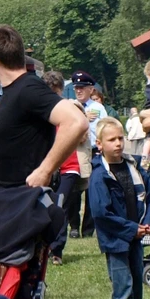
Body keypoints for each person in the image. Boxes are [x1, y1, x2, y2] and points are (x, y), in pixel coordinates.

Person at [0, 24, 88, 299]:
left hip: (25, 210)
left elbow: (76, 121)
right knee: (19, 295)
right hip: (10, 209)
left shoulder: (28, 89)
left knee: (25, 295)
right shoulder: (13, 93)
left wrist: (45, 170)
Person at [88, 117, 150, 299]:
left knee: (137, 285)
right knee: (123, 286)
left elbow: (149, 195)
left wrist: (146, 222)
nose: (117, 143)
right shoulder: (99, 176)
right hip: (116, 240)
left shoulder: (133, 168)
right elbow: (101, 214)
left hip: (136, 237)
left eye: (120, 138)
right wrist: (131, 229)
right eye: (111, 139)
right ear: (99, 143)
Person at [43, 71, 91, 265]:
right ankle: (45, 246)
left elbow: (83, 136)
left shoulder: (71, 108)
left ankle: (57, 250)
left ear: (61, 91)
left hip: (69, 166)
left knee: (59, 206)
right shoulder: (41, 110)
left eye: (55, 92)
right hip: (48, 165)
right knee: (46, 206)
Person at [64, 71, 106, 239]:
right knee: (74, 191)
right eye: (76, 88)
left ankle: (88, 229)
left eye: (82, 88)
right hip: (75, 152)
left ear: (91, 90)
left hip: (94, 151)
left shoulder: (98, 108)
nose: (79, 91)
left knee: (92, 192)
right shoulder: (69, 106)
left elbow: (104, 128)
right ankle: (73, 225)